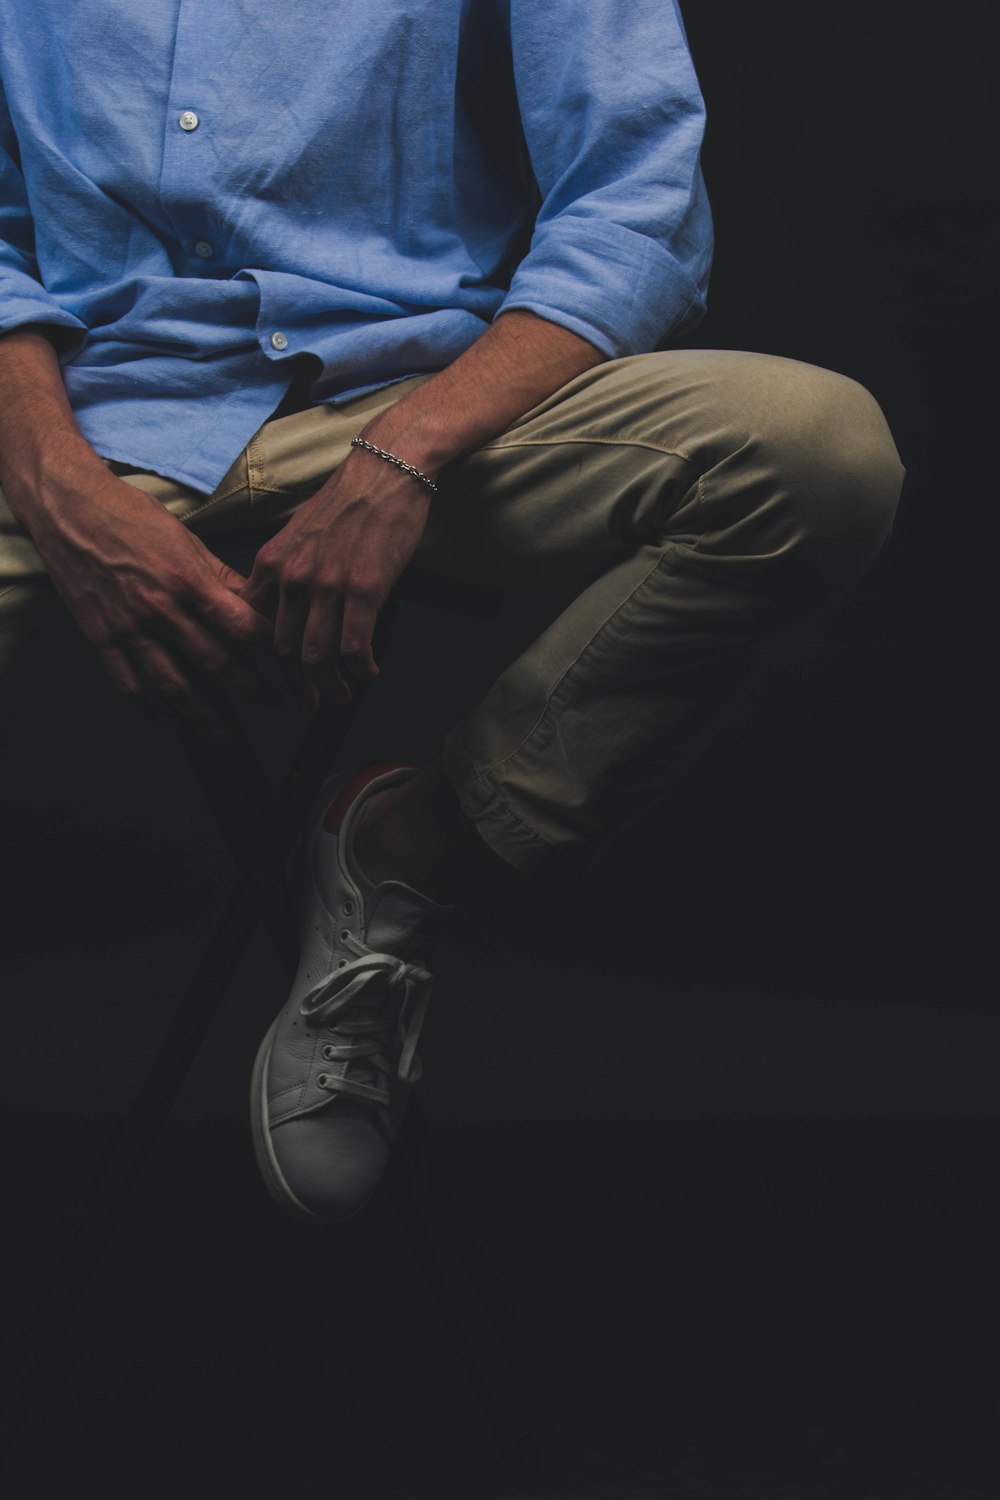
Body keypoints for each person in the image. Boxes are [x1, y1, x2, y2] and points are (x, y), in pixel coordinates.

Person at [0, 1, 903, 1222]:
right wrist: (54, 484)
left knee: (812, 452)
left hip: (426, 395)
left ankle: (408, 853)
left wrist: (405, 451)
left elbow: (635, 209)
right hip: (86, 415)